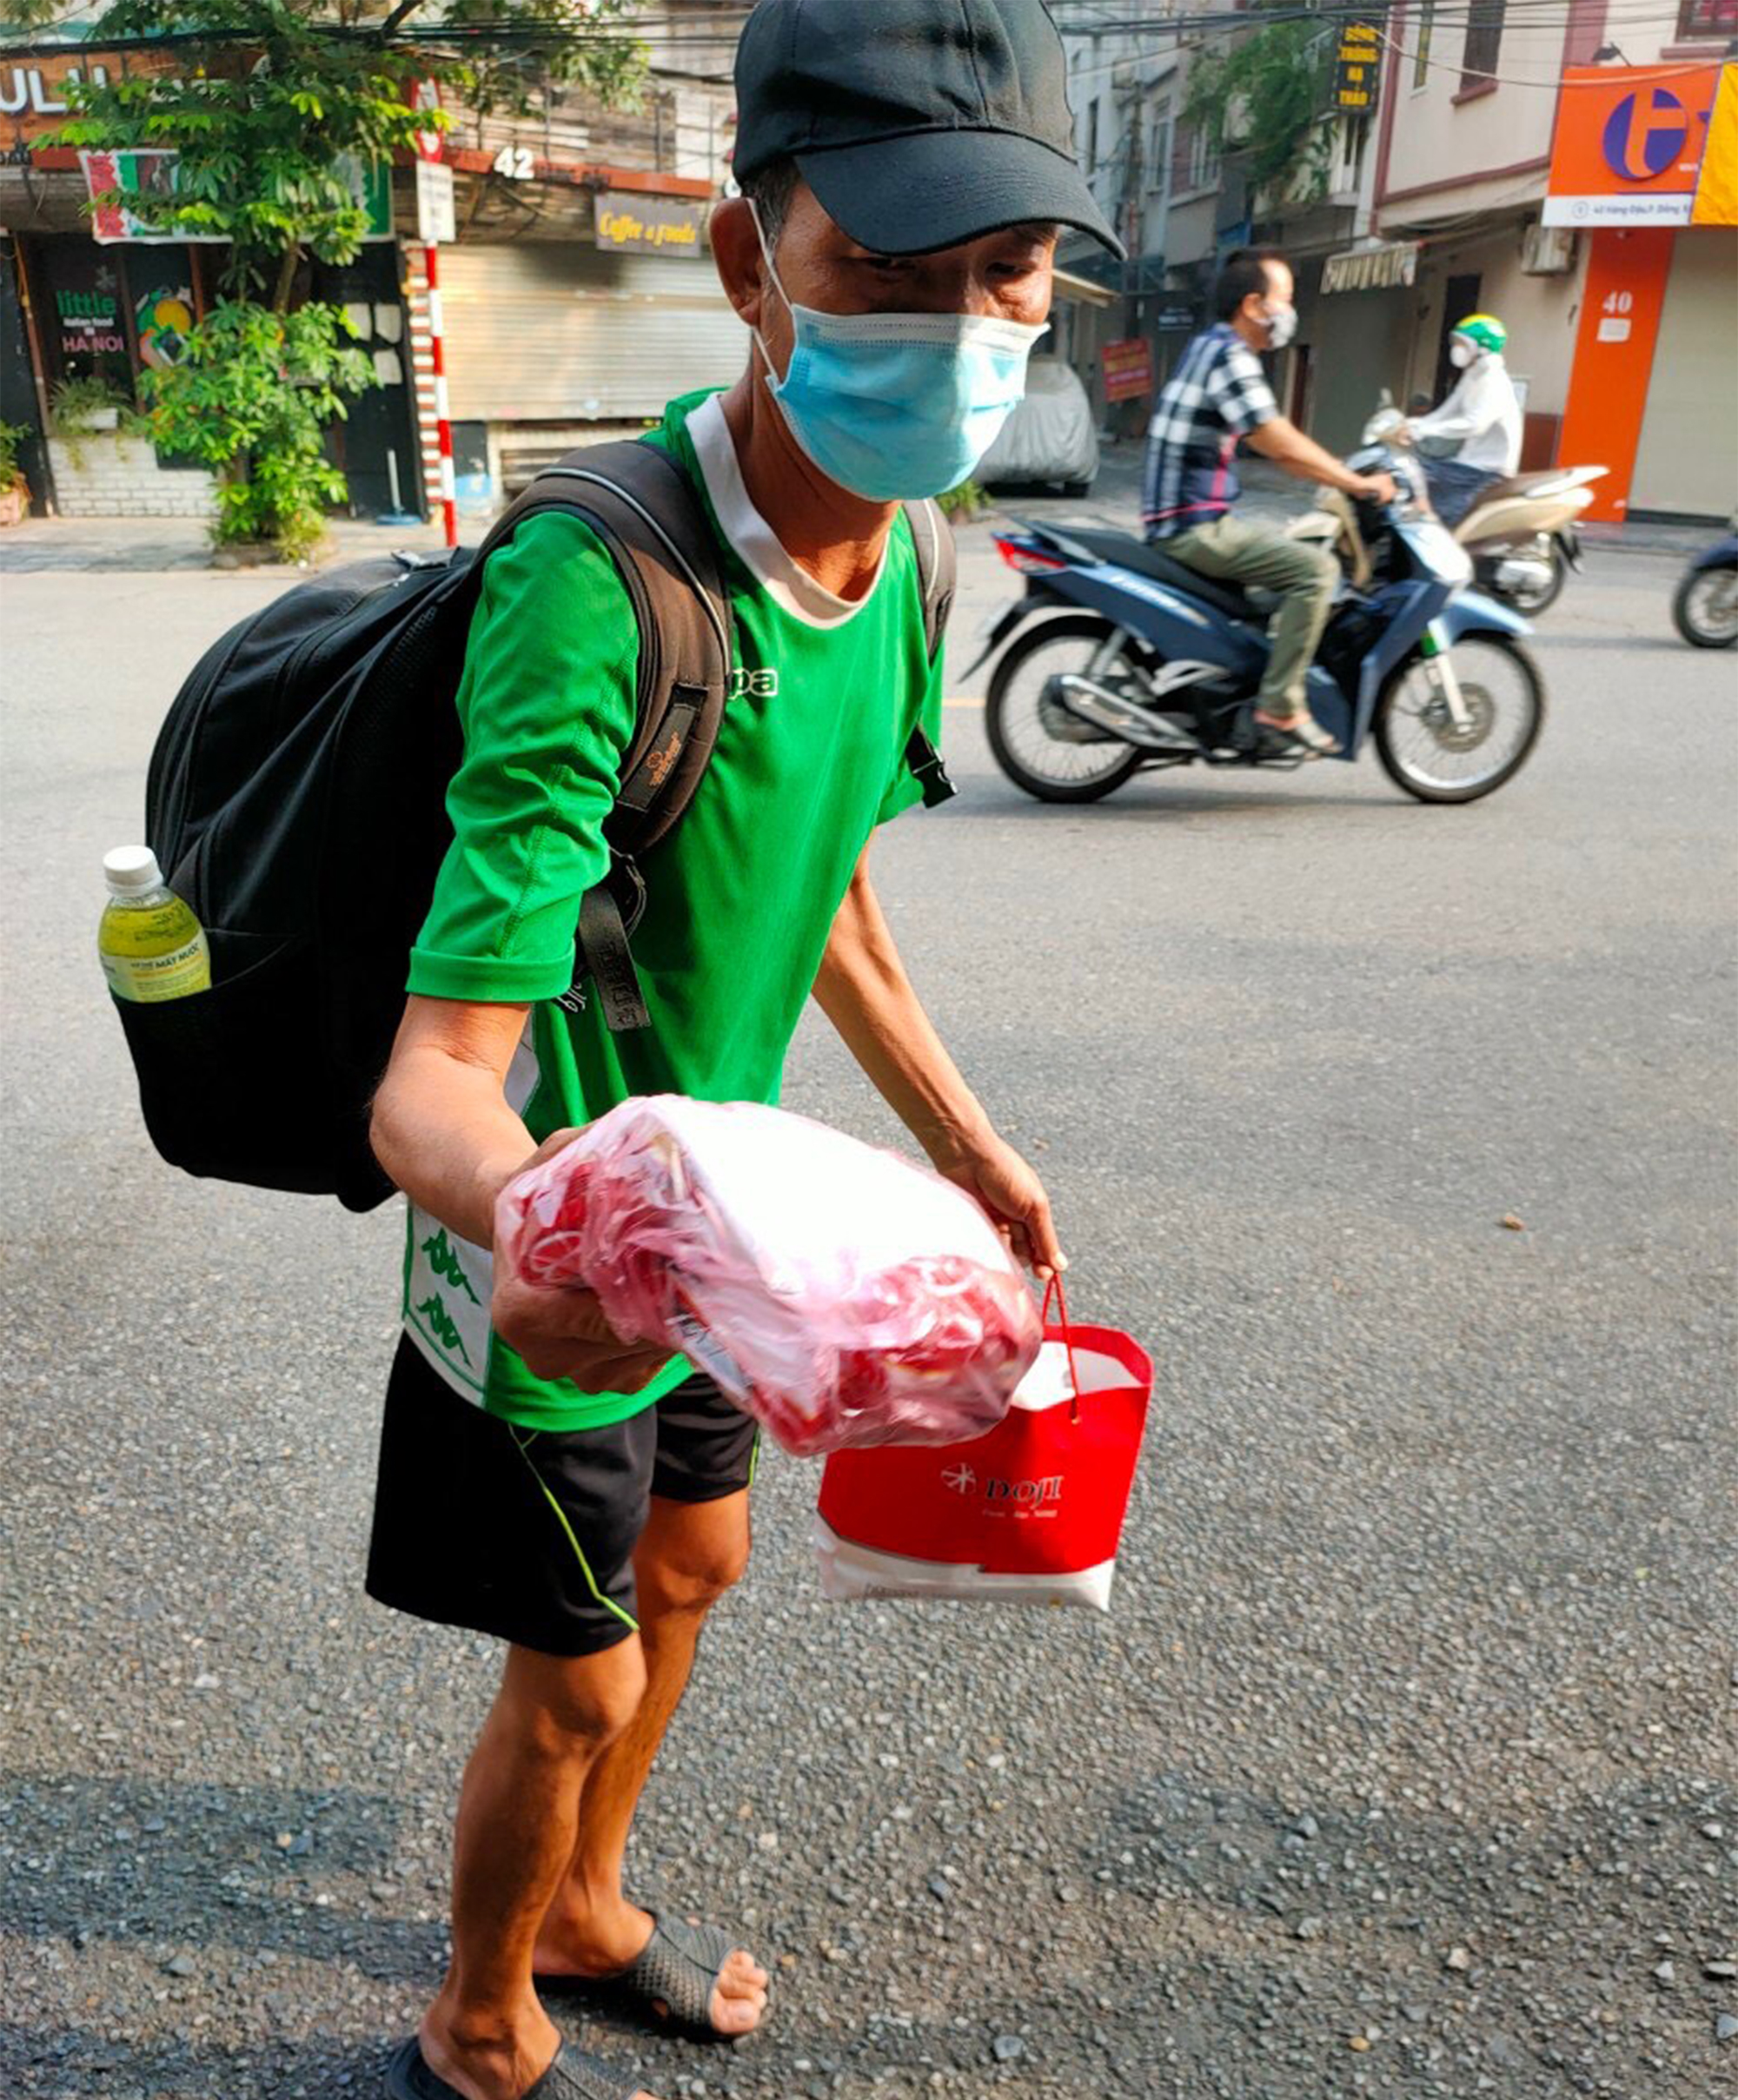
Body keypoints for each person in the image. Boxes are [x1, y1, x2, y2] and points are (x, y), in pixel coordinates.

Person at [364, 4, 1119, 2098]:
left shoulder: (916, 555)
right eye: (885, 267)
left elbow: (841, 897)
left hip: (731, 1230)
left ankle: (593, 1904)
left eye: (1007, 279)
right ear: (746, 263)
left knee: (700, 1557)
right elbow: (433, 1072)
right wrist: (560, 1222)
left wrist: (968, 1147)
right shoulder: (595, 579)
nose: (961, 328)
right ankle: (480, 2001)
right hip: (555, 1247)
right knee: (579, 1677)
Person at [1143, 248, 1396, 756]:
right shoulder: (1230, 355)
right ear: (1254, 304)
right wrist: (1355, 482)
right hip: (1194, 527)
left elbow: (1283, 452)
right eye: (1286, 299)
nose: (1290, 311)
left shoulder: (1210, 346)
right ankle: (1279, 705)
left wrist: (1337, 475)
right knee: (1317, 573)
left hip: (1189, 517)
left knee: (1293, 559)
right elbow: (1275, 440)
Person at [1403, 314, 1522, 527]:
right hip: (1466, 464)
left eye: (1462, 343)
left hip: (1484, 471)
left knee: (1435, 515)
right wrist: (1412, 425)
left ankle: (1442, 548)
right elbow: (1447, 411)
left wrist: (1423, 431)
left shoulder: (1492, 380)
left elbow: (1474, 425)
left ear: (1483, 347)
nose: (1456, 348)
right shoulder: (1473, 375)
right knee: (1407, 471)